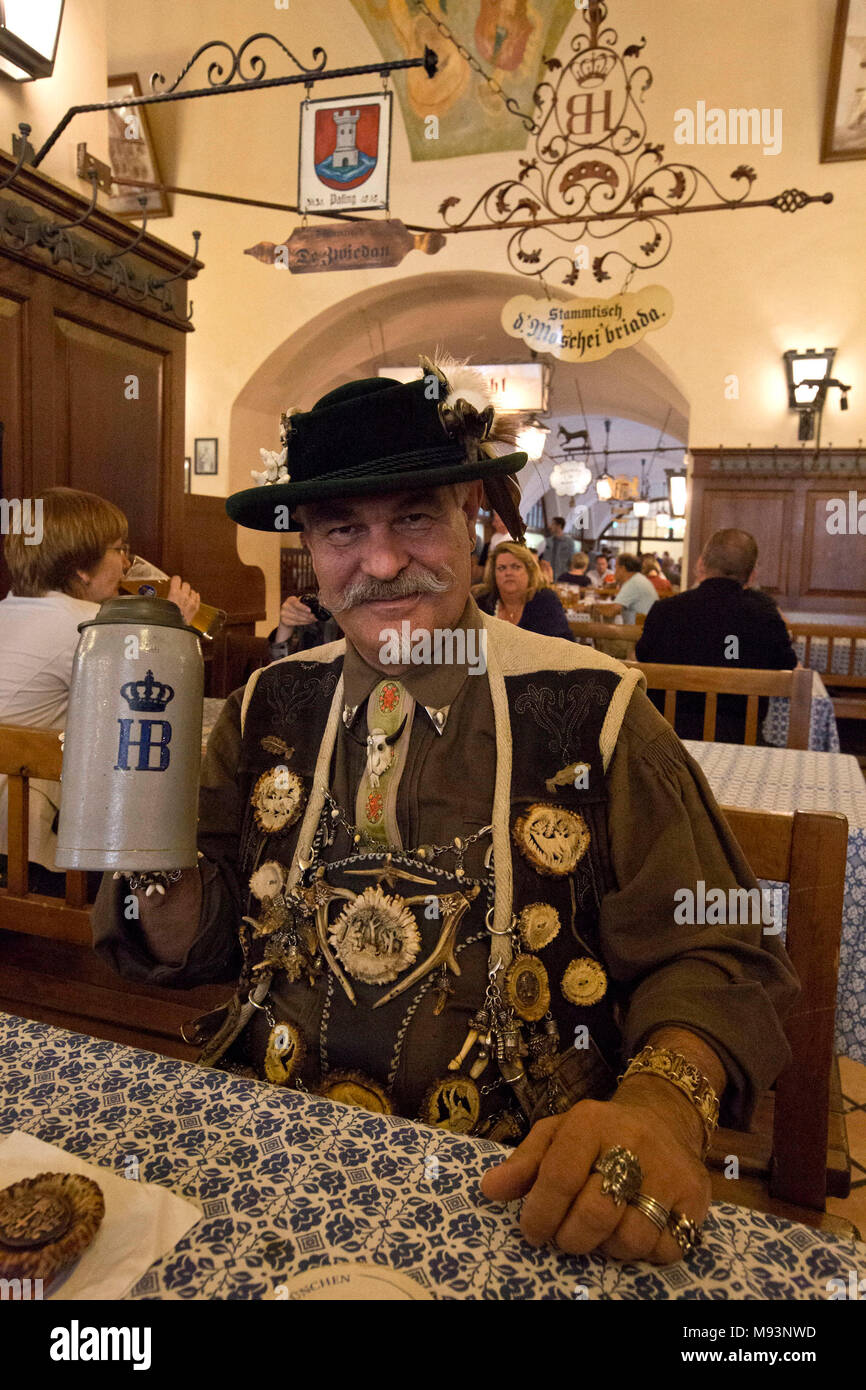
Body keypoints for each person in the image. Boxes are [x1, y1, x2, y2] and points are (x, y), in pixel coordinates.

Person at [91, 356, 797, 1265]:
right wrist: (148, 853)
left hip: (524, 1185)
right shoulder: (270, 703)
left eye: (415, 517)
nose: (381, 563)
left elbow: (722, 948)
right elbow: (213, 935)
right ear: (307, 543)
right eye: (343, 529)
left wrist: (658, 1110)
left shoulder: (596, 707)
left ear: (472, 522)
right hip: (277, 1145)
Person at [0, 487, 199, 890]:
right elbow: (158, 714)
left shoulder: (11, 609)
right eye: (118, 549)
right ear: (82, 569)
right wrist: (173, 625)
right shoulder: (94, 630)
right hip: (24, 858)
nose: (127, 562)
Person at [635, 528, 798, 743]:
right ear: (751, 575)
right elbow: (787, 664)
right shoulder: (764, 617)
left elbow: (643, 656)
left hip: (667, 745)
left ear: (701, 564)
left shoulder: (665, 611)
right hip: (743, 744)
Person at [474, 542, 574, 640]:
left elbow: (566, 645)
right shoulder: (483, 602)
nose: (508, 573)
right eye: (501, 568)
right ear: (493, 574)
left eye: (516, 567)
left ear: (529, 571)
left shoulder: (546, 600)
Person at [614, 554, 658, 624]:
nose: (614, 572)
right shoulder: (637, 579)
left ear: (622, 569)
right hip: (647, 627)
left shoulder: (632, 583)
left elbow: (613, 610)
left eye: (615, 568)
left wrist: (593, 608)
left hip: (640, 631)